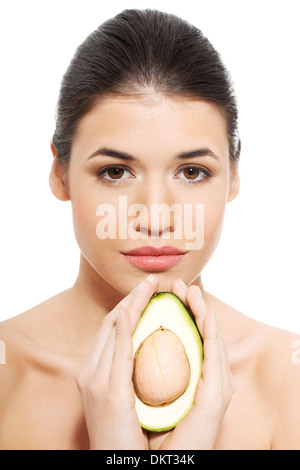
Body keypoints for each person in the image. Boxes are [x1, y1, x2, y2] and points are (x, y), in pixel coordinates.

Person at [0, 8, 299, 450]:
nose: (156, 218)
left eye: (193, 172)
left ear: (234, 176)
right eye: (116, 172)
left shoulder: (287, 381)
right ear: (60, 174)